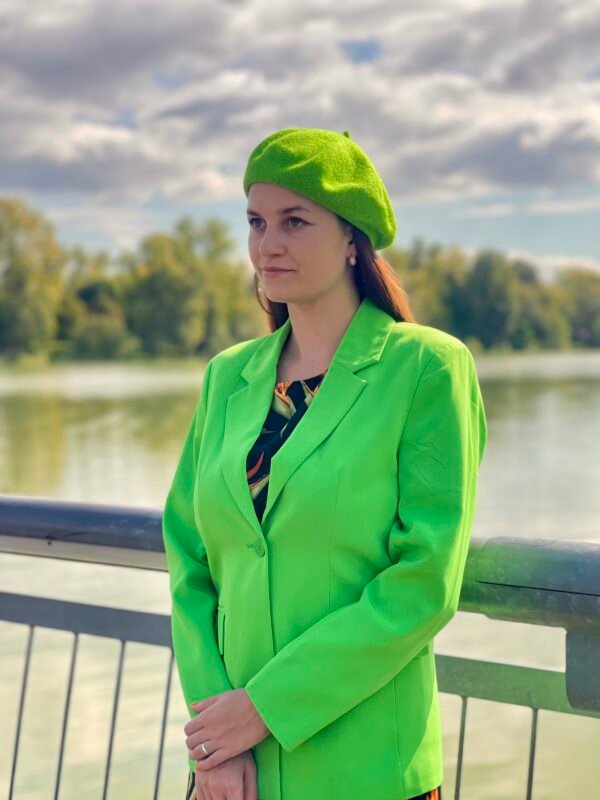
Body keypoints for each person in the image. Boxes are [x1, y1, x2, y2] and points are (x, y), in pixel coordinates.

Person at [162, 127, 488, 800]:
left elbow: (424, 581)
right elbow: (189, 561)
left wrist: (264, 709)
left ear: (351, 240)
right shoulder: (227, 378)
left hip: (365, 766)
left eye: (295, 221)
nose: (267, 244)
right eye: (255, 222)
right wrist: (215, 740)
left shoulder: (426, 367)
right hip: (233, 774)